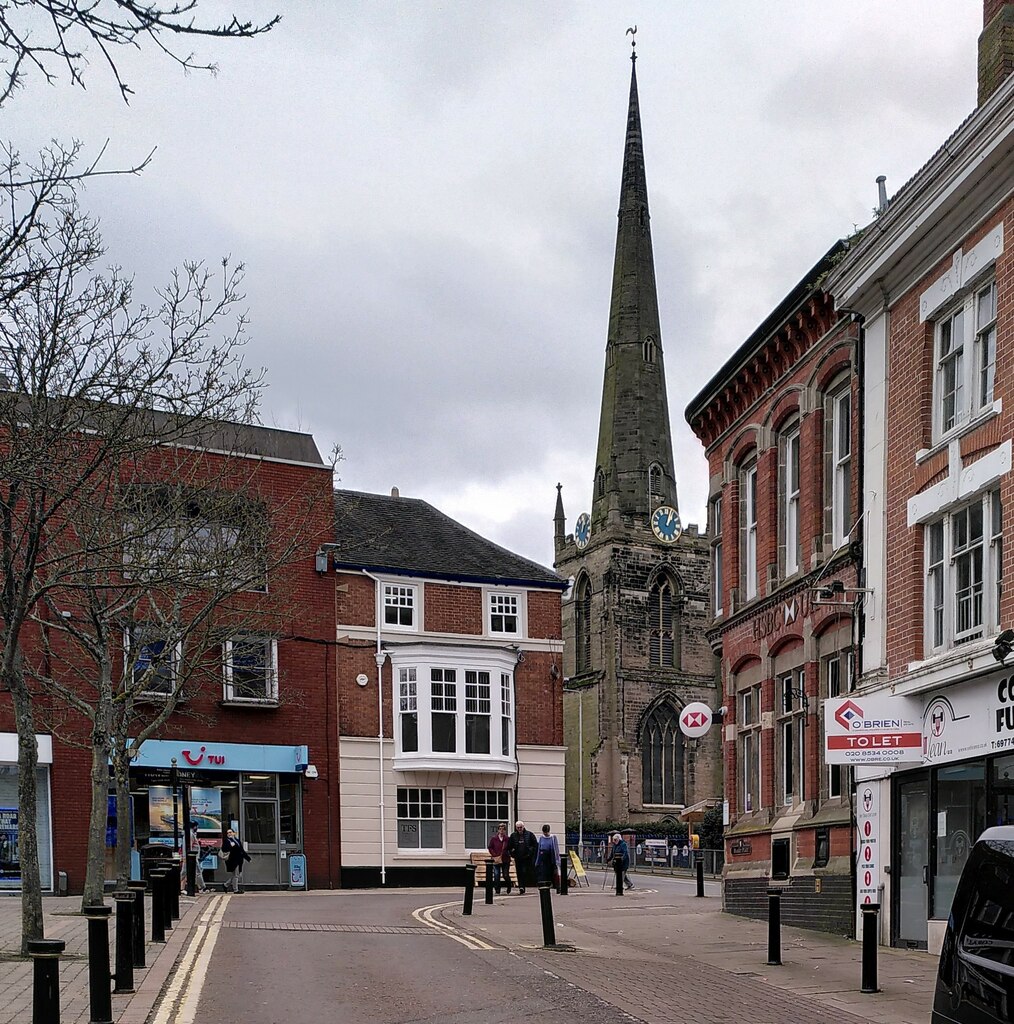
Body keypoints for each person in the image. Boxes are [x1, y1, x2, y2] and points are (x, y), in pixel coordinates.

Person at [506, 820, 537, 894]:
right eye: (518, 827)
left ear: (523, 827)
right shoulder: (513, 835)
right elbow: (509, 846)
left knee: (525, 871)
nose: (519, 829)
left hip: (527, 857)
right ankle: (521, 887)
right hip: (518, 857)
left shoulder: (530, 834)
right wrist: (512, 853)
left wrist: (531, 851)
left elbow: (535, 845)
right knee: (519, 872)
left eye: (521, 827)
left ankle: (524, 885)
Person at [221, 827, 251, 893]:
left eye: (230, 832)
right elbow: (224, 849)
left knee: (235, 875)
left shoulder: (237, 840)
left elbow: (241, 850)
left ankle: (225, 885)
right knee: (236, 875)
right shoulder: (227, 841)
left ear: (234, 833)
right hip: (232, 860)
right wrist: (230, 846)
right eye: (228, 833)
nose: (229, 834)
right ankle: (235, 890)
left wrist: (247, 858)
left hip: (239, 860)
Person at [487, 822, 511, 895]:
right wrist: (494, 855)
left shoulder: (507, 839)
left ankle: (508, 886)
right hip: (496, 859)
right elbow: (490, 847)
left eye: (503, 829)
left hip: (505, 859)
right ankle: (497, 889)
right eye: (500, 829)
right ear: (498, 830)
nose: (501, 831)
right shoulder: (494, 839)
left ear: (505, 830)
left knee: (505, 875)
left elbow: (510, 847)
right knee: (496, 875)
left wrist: (509, 853)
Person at [535, 823, 560, 888]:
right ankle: (545, 883)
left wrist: (557, 860)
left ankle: (553, 884)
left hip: (551, 856)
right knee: (543, 871)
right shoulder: (541, 838)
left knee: (552, 871)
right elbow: (539, 849)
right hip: (543, 856)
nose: (545, 834)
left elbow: (556, 849)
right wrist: (537, 861)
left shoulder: (553, 837)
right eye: (544, 832)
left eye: (546, 832)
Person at [189, 822, 208, 893]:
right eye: (197, 826)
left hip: (193, 857)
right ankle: (202, 887)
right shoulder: (191, 834)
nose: (197, 828)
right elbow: (189, 846)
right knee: (197, 872)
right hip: (192, 857)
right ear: (194, 827)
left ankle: (201, 887)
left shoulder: (192, 834)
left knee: (196, 872)